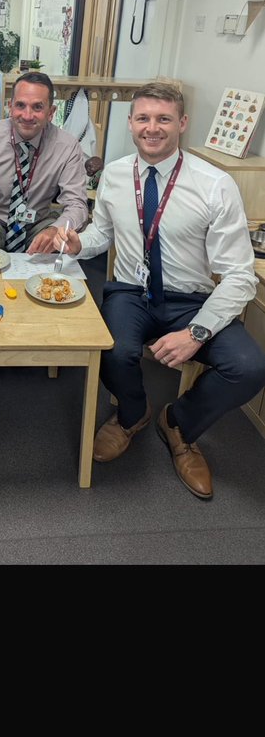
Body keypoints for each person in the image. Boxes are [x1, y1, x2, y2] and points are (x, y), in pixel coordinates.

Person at [52, 81, 265, 499]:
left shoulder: (215, 184)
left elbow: (240, 275)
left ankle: (179, 425)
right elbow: (103, 234)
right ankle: (132, 414)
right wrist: (80, 242)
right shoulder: (115, 175)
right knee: (110, 348)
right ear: (131, 123)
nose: (153, 128)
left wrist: (197, 333)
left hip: (193, 300)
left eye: (164, 119)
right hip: (131, 292)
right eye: (144, 118)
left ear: (182, 123)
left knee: (250, 366)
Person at [0, 71, 88, 253]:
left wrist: (56, 229)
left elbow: (77, 204)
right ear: (10, 106)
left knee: (54, 247)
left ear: (51, 113)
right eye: (20, 105)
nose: (27, 116)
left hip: (38, 221)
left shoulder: (67, 146)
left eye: (37, 107)